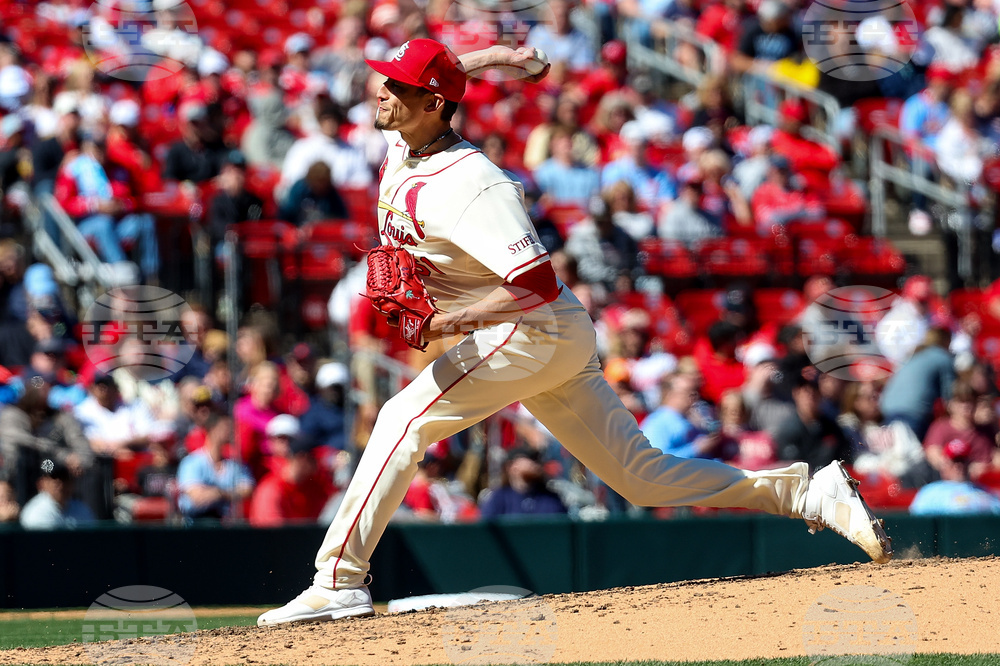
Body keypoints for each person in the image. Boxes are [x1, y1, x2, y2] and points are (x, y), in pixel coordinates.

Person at [257, 39, 891, 628]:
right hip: (550, 336)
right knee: (641, 477)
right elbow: (444, 78)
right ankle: (808, 493)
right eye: (386, 80)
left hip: (527, 327)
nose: (382, 91)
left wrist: (448, 321)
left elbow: (534, 282)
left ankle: (337, 579)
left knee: (402, 419)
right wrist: (497, 55)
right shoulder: (406, 140)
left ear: (433, 105)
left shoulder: (473, 183)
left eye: (397, 85)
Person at [176, 413, 254, 520]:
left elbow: (247, 490)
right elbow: (197, 497)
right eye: (226, 426)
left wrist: (220, 493)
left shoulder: (235, 464)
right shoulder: (191, 462)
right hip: (196, 522)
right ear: (212, 429)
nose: (231, 431)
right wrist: (231, 493)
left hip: (226, 522)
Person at [909, 439, 1000, 516]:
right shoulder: (930, 492)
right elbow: (919, 522)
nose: (959, 466)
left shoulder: (985, 491)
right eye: (955, 461)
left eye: (962, 461)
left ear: (969, 463)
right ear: (944, 464)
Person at [641, 373, 722, 459]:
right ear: (670, 394)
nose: (695, 397)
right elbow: (656, 458)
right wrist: (696, 449)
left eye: (696, 392)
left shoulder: (690, 418)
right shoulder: (658, 422)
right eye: (689, 392)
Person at [479, 447, 567, 519]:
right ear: (512, 467)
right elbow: (486, 527)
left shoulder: (549, 498)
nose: (535, 464)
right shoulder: (499, 498)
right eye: (530, 459)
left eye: (536, 460)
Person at [19, 459, 95, 529]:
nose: (60, 484)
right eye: (54, 478)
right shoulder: (36, 511)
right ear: (42, 483)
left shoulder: (81, 508)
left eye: (64, 478)